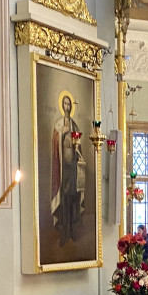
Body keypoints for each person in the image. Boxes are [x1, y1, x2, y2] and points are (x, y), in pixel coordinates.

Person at [50, 94, 86, 246]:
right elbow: (55, 147)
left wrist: (79, 158)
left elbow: (79, 149)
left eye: (68, 104)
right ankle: (64, 232)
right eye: (64, 104)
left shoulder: (75, 126)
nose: (66, 107)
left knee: (73, 199)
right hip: (62, 170)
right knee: (64, 200)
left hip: (73, 170)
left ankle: (72, 230)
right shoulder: (58, 126)